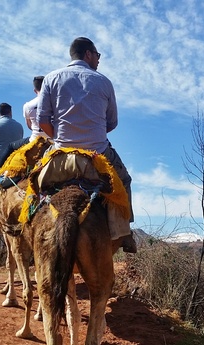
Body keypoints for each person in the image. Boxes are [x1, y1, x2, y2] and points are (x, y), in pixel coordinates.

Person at [37, 36, 136, 253]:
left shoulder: (51, 78)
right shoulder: (104, 81)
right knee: (125, 180)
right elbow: (112, 122)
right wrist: (92, 132)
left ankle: (27, 234)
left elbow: (42, 121)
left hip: (60, 154)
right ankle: (126, 234)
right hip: (98, 155)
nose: (99, 60)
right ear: (88, 54)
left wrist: (62, 139)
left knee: (31, 184)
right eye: (98, 55)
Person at [0, 76, 48, 179]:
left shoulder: (28, 105)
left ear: (34, 90)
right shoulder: (57, 102)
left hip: (35, 140)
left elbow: (30, 126)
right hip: (54, 139)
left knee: (11, 146)